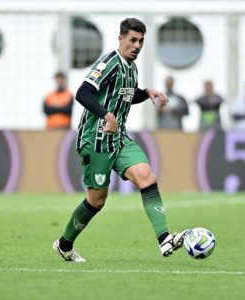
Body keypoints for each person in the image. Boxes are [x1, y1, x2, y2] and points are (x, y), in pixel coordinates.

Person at [52, 18, 189, 262]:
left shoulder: (131, 68)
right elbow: (83, 93)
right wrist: (106, 115)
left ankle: (164, 238)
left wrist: (146, 93)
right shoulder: (109, 62)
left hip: (119, 139)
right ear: (121, 39)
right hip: (95, 141)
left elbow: (126, 94)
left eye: (141, 41)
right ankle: (64, 244)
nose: (137, 46)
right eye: (133, 40)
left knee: (146, 176)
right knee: (97, 201)